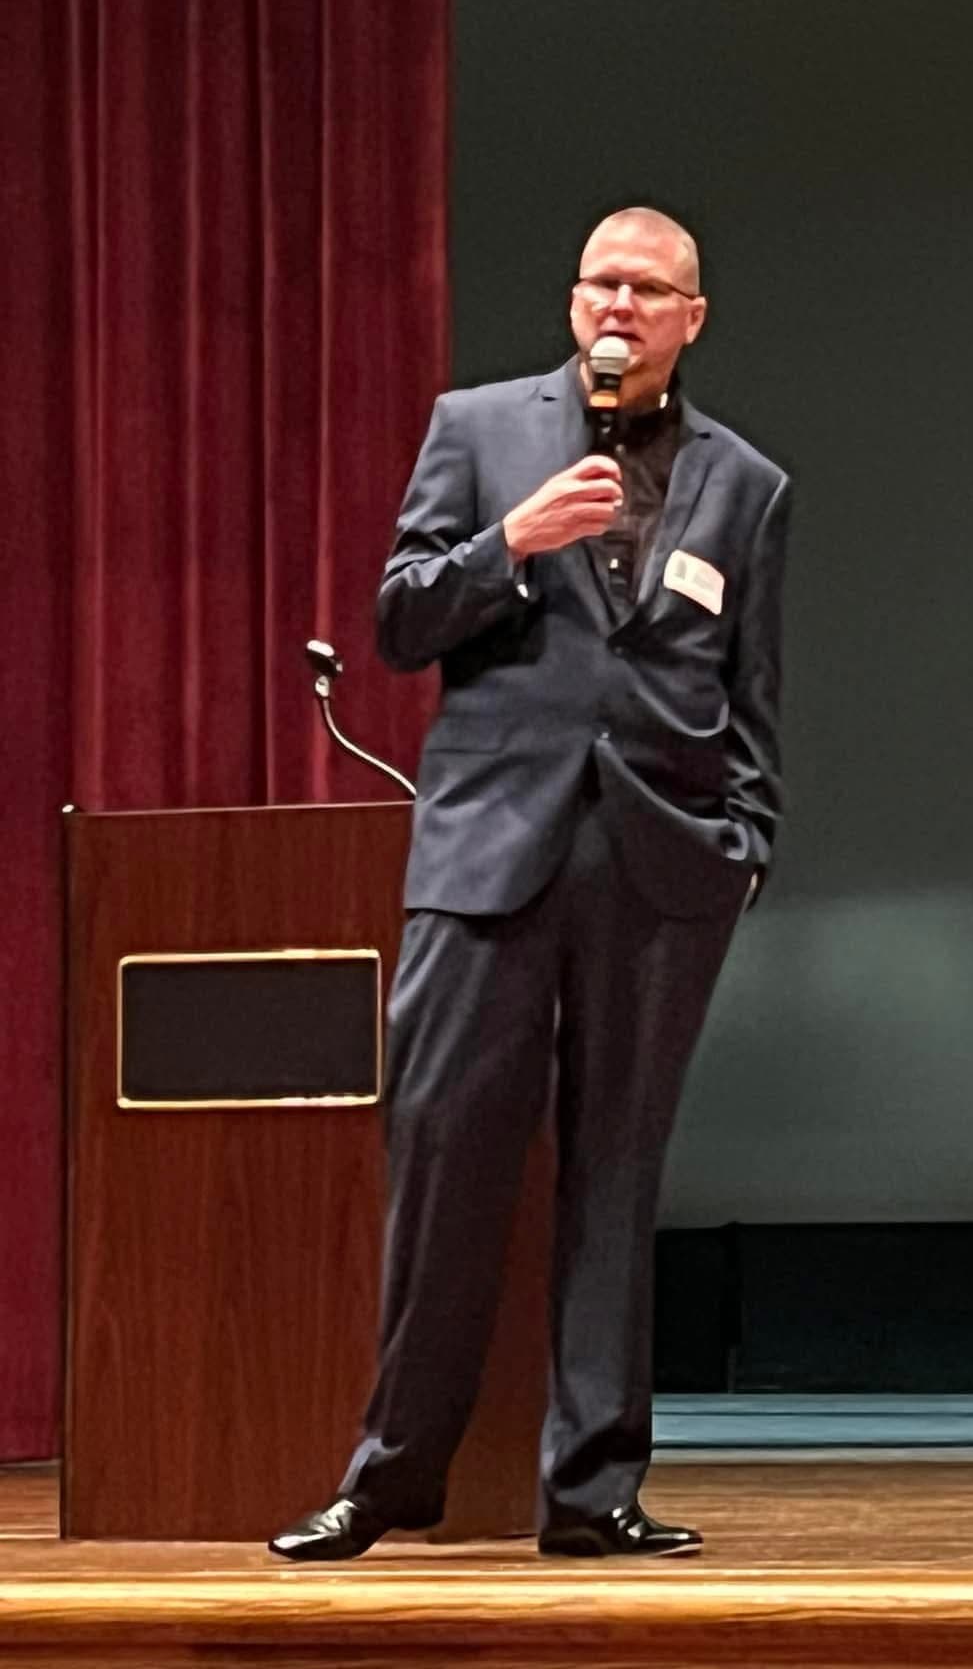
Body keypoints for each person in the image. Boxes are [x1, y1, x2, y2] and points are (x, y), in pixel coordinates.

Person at [269, 206, 789, 1562]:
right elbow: (397, 620)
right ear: (573, 307)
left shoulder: (747, 486)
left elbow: (752, 701)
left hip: (660, 865)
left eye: (648, 289)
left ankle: (593, 1490)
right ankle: (390, 1479)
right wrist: (514, 543)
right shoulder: (480, 430)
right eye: (599, 285)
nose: (619, 306)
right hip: (488, 851)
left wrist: (742, 851)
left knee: (616, 1173)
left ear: (692, 317)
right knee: (445, 1155)